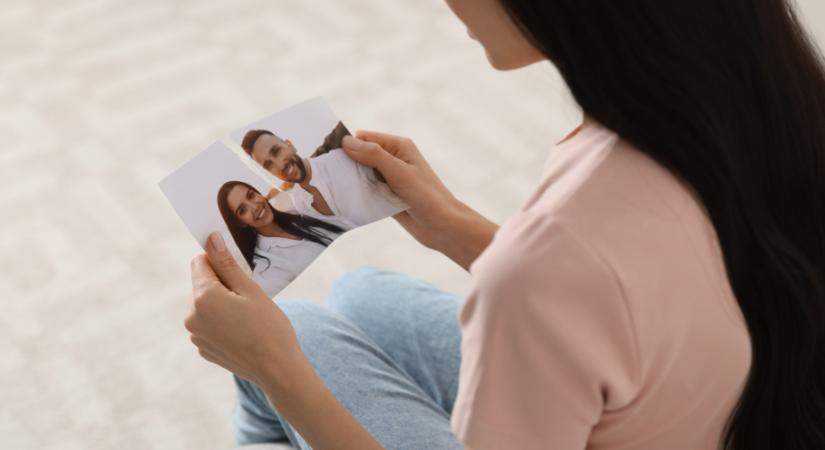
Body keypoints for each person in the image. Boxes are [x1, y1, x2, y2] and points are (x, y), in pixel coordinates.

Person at [186, 0, 825, 449]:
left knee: (291, 337)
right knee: (364, 294)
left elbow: (561, 278)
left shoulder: (549, 256)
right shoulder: (766, 108)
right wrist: (455, 228)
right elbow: (626, 299)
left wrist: (277, 372)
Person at [241, 126, 406, 230]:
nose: (279, 165)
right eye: (268, 165)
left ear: (289, 145)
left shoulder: (343, 160)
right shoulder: (300, 203)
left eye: (276, 151)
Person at [216, 180, 345, 297]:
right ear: (240, 223)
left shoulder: (299, 213)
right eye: (242, 210)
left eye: (251, 195)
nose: (254, 206)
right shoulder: (265, 271)